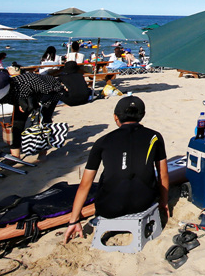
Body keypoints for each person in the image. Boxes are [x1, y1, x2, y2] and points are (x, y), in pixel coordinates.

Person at [63, 96, 170, 243]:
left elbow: (85, 184)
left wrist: (73, 221)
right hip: (144, 203)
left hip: (109, 208)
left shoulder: (102, 141)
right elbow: (163, 174)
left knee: (104, 178)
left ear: (115, 117)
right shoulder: (155, 137)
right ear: (142, 115)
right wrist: (164, 203)